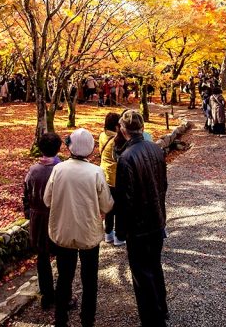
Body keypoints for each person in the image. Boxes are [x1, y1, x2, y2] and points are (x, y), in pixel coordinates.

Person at [44, 128, 113, 327]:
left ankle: (61, 319)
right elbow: (107, 205)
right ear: (91, 149)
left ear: (70, 147)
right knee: (89, 280)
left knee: (64, 278)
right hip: (88, 233)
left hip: (63, 232)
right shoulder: (96, 172)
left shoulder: (59, 169)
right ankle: (87, 320)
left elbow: (47, 200)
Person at [113, 109, 168, 327]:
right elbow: (163, 185)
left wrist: (121, 230)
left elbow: (125, 199)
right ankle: (161, 309)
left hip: (139, 225)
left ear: (123, 130)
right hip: (157, 218)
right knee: (155, 266)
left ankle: (153, 320)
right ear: (141, 128)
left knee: (141, 275)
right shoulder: (155, 149)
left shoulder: (126, 158)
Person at [23, 132, 62, 309]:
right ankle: (63, 294)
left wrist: (28, 212)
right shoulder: (61, 169)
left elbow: (26, 193)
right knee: (62, 255)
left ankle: (47, 295)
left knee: (43, 257)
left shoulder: (33, 170)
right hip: (57, 216)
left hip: (38, 218)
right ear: (58, 148)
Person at [99, 112, 126, 246]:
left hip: (104, 176)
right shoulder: (117, 140)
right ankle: (119, 236)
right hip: (117, 177)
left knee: (109, 207)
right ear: (116, 126)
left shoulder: (102, 136)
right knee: (120, 208)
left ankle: (108, 233)